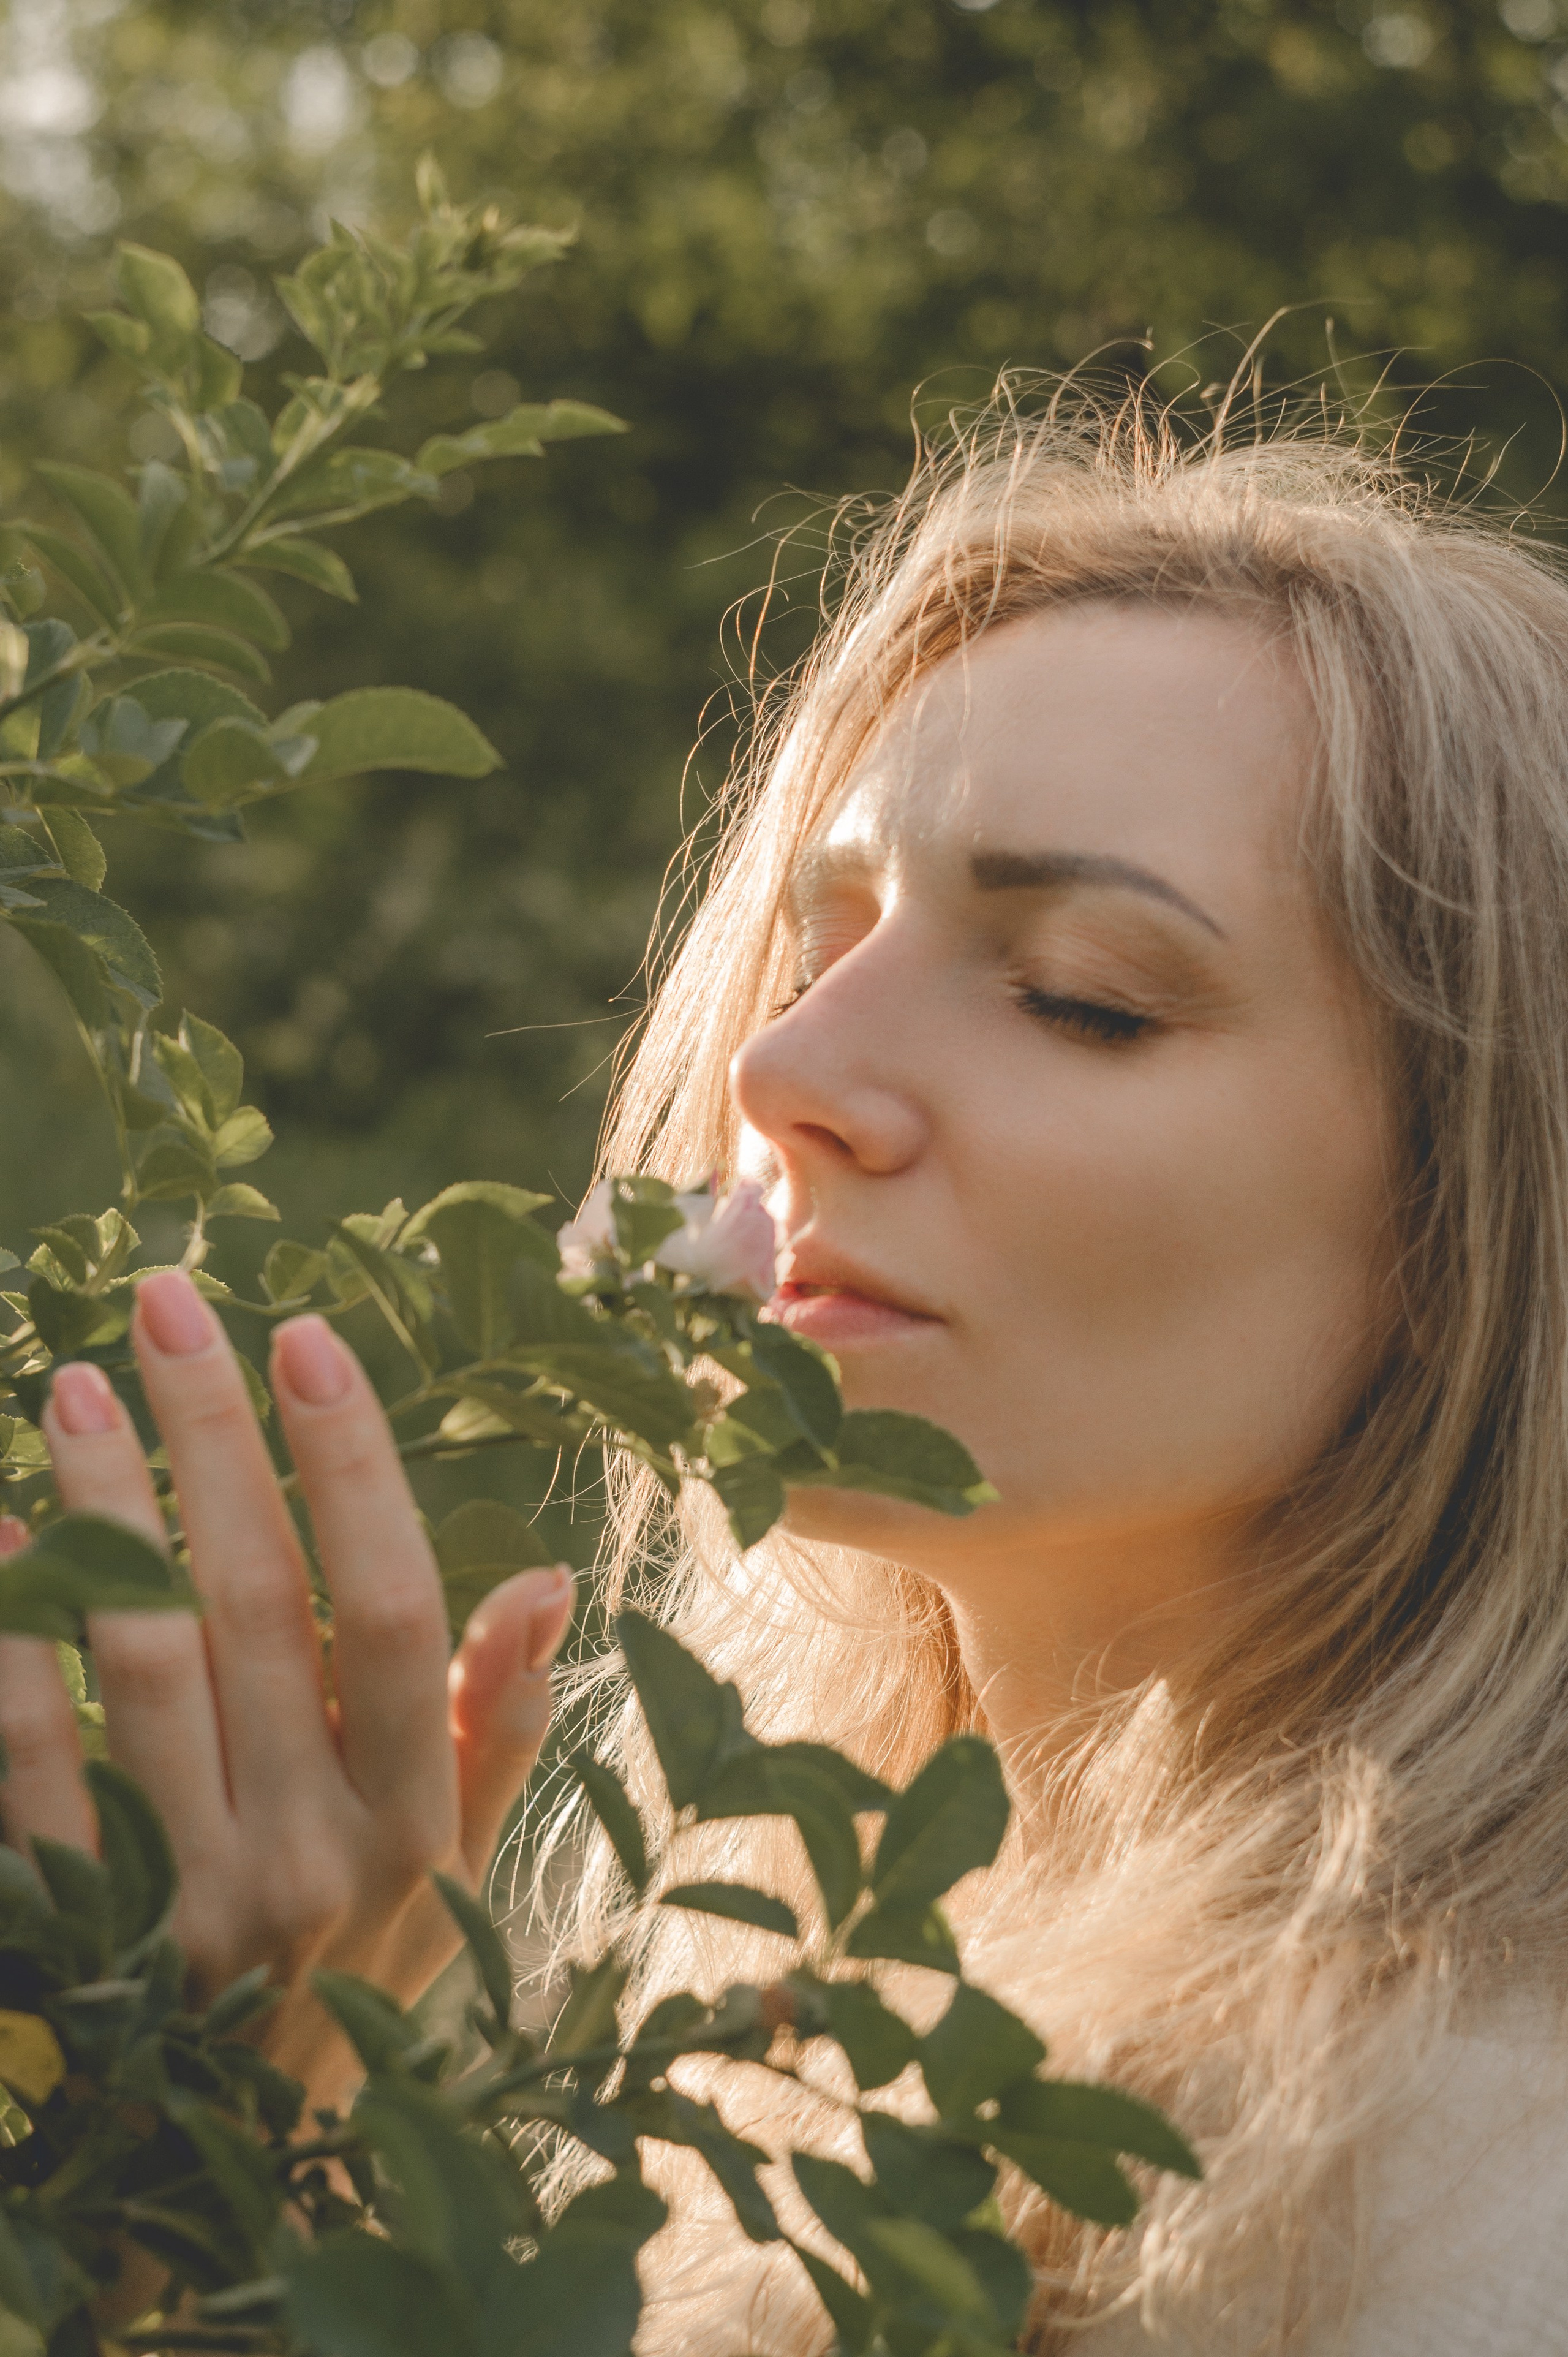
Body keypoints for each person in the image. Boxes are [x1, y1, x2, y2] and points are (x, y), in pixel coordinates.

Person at [13, 387, 1568, 2352]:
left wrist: (227, 2180)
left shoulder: (1469, 2209)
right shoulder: (790, 2042)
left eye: (1076, 996)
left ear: (1482, 1208)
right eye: (811, 949)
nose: (780, 1077)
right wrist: (277, 2137)